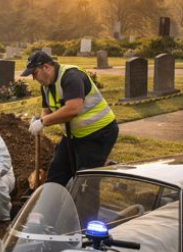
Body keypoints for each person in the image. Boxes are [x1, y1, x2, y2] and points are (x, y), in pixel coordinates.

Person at [21, 51, 118, 186]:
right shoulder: (46, 86)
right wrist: (40, 120)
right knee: (56, 174)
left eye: (34, 73)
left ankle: (84, 206)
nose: (34, 78)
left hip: (99, 133)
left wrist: (43, 122)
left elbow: (73, 109)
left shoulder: (71, 77)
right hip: (73, 135)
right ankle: (52, 205)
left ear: (46, 67)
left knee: (85, 182)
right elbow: (46, 109)